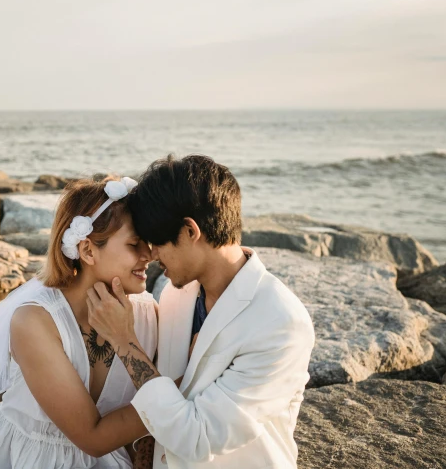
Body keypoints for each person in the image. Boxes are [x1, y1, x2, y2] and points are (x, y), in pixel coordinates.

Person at [87, 155, 316, 469]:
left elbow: (196, 439)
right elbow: (168, 394)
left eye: (156, 242)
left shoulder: (280, 323)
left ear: (190, 231)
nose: (150, 256)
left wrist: (124, 340)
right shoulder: (174, 296)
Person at [0, 176, 159, 468]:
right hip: (31, 458)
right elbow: (92, 438)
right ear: (88, 250)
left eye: (149, 242)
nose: (150, 254)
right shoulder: (35, 322)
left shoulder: (148, 313)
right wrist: (184, 392)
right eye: (135, 244)